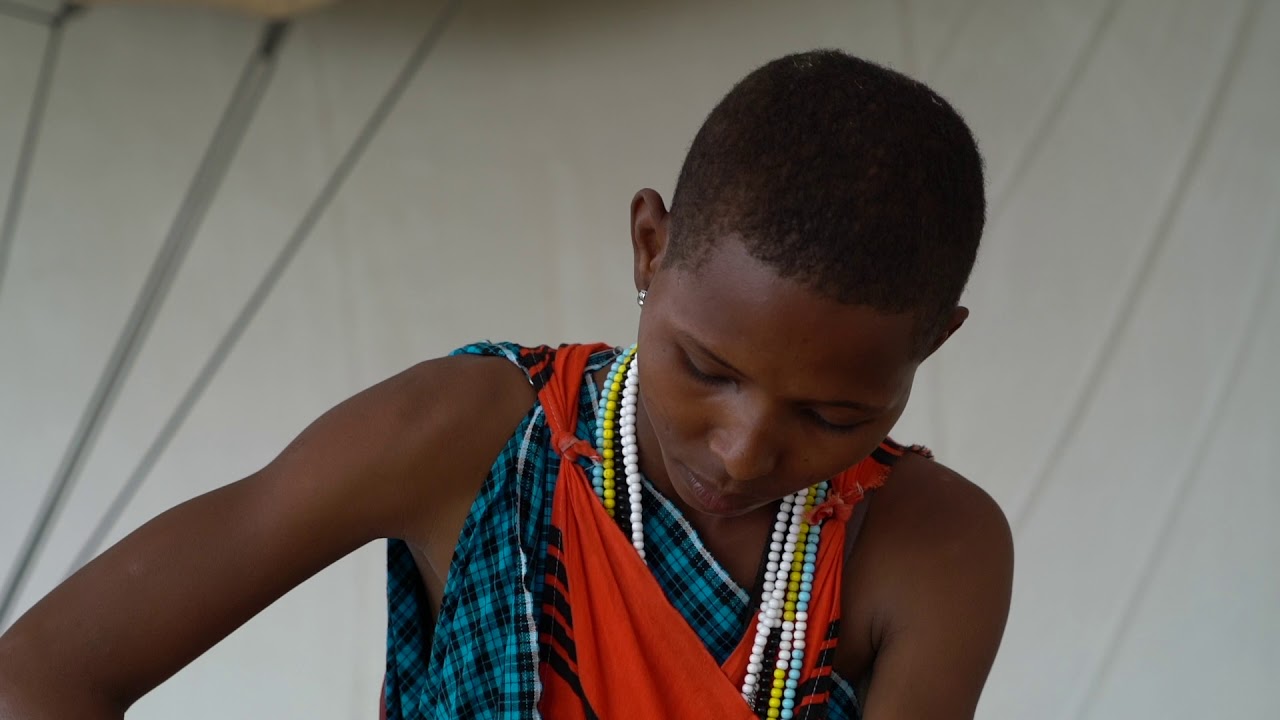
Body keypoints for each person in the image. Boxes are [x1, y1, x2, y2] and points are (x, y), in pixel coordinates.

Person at [0, 49, 1013, 719]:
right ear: (648, 245)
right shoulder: (468, 436)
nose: (742, 447)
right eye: (705, 369)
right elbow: (41, 673)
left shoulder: (931, 547)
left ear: (934, 344)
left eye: (832, 413)